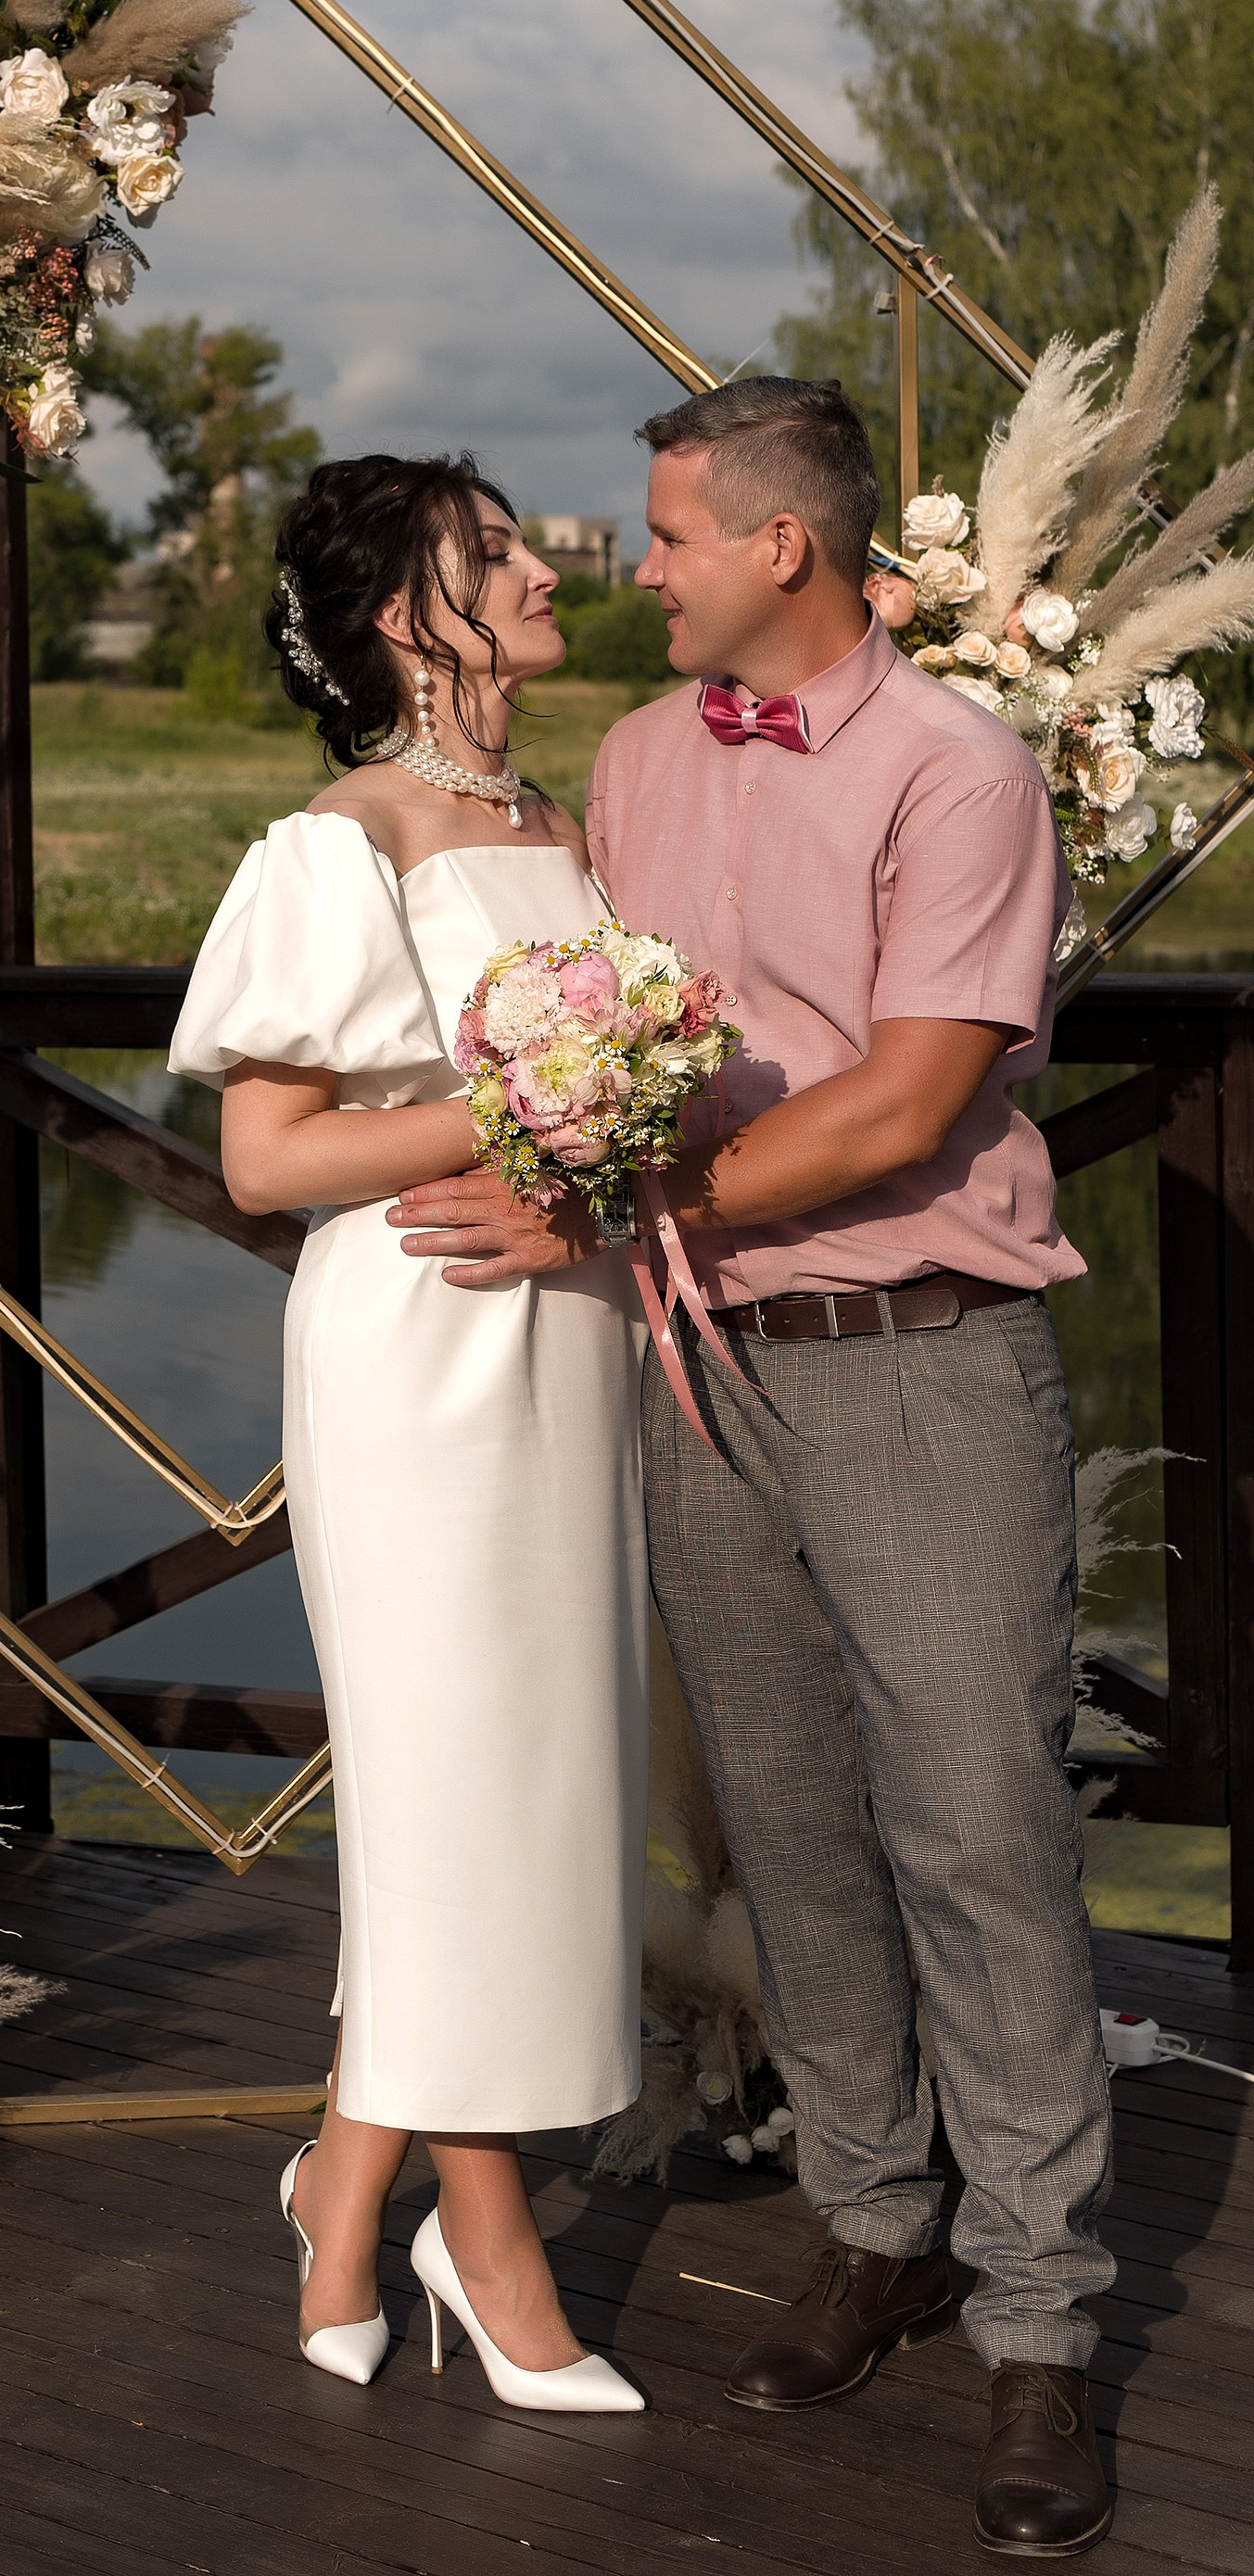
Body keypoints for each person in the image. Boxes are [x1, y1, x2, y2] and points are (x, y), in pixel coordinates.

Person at [391, 378, 1114, 2559]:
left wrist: (610, 1216)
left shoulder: (957, 772)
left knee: (978, 1837)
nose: (638, 564)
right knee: (792, 1827)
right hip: (702, 1383)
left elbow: (903, 1112)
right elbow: (580, 1035)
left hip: (919, 1362)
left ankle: (1043, 2325)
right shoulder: (627, 765)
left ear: (780, 547)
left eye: (670, 532)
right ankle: (873, 2225)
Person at [168, 454, 646, 2416]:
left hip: (575, 1341)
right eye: (497, 551)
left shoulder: (573, 820)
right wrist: (526, 1094)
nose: (544, 569)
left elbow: (632, 1097)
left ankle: (339, 2194)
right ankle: (489, 2228)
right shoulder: (336, 843)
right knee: (451, 1784)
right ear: (405, 619)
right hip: (415, 1354)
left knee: (538, 1784)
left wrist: (600, 1126)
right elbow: (266, 1155)